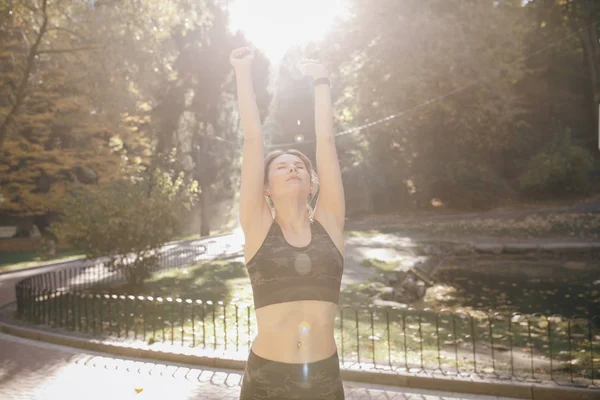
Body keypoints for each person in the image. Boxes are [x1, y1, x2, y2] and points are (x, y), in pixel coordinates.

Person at [230, 46, 346, 400]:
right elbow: (253, 138)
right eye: (281, 166)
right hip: (267, 379)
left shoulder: (329, 225)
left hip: (323, 378)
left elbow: (326, 141)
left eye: (299, 166)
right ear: (265, 187)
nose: (293, 168)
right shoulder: (259, 227)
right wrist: (242, 69)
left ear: (313, 183)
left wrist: (322, 81)